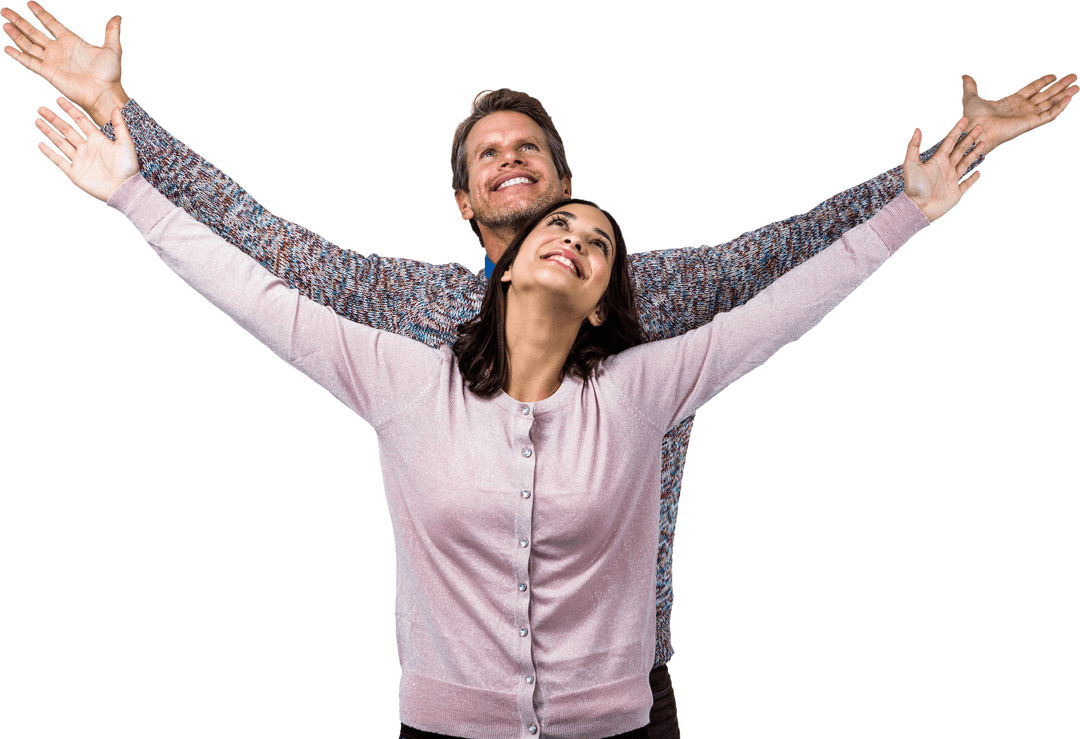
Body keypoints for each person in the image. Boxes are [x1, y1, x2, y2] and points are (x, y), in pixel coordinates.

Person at [3, 3, 1077, 736]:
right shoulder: (404, 321)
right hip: (456, 698)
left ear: (571, 187)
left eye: (533, 152)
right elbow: (257, 252)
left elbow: (791, 266)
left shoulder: (653, 307)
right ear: (467, 205)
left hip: (626, 688)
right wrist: (122, 121)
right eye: (486, 155)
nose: (510, 158)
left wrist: (922, 183)